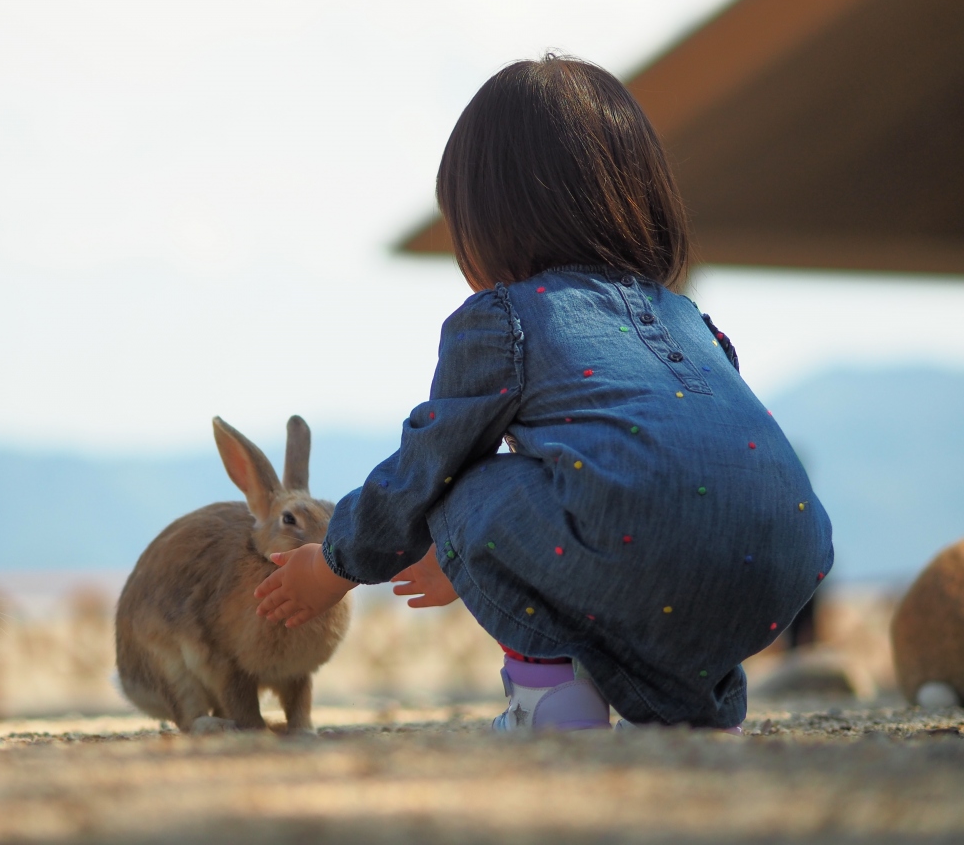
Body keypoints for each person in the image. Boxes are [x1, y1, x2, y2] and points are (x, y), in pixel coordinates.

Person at [253, 55, 832, 731]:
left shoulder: (505, 319)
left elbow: (424, 470)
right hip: (786, 557)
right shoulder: (687, 321)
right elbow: (689, 468)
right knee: (665, 520)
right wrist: (458, 554)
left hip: (635, 536)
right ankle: (699, 708)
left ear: (488, 218)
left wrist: (334, 564)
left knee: (464, 480)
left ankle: (550, 700)